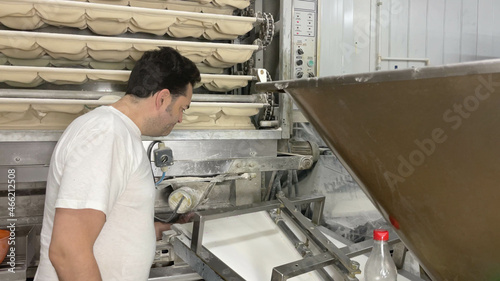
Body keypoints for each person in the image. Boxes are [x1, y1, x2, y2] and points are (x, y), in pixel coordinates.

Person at [34, 47, 201, 281]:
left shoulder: (118, 133)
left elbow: (113, 226)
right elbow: (68, 251)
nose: (180, 118)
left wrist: (158, 229)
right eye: (182, 108)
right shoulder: (106, 134)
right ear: (162, 98)